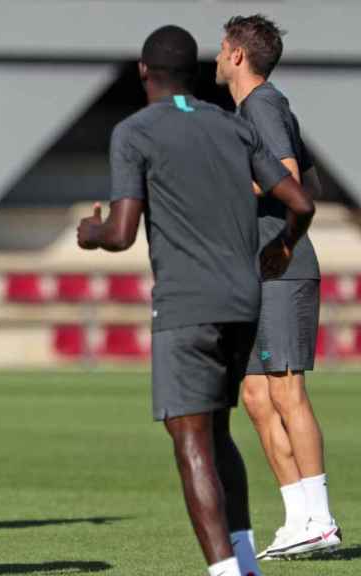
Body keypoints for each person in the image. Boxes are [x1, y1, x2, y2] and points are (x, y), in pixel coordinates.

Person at [76, 25, 314, 576]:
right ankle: (247, 562)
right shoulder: (232, 126)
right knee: (221, 431)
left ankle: (225, 571)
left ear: (143, 70)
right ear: (196, 69)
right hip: (244, 300)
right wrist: (282, 248)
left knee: (191, 440)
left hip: (187, 303)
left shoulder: (134, 131)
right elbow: (300, 202)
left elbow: (122, 233)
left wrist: (91, 231)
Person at [215, 14, 339, 560]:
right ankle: (298, 520)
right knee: (256, 394)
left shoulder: (262, 104)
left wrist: (282, 239)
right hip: (259, 267)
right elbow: (307, 180)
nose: (216, 58)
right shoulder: (264, 108)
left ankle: (322, 518)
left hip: (281, 267)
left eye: (221, 50)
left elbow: (286, 173)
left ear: (238, 56)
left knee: (286, 390)